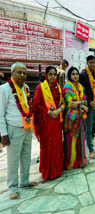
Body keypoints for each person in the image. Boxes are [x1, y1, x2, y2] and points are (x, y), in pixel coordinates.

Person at [0, 62, 37, 199]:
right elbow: (0, 113)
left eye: (24, 73)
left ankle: (25, 181)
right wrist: (3, 134)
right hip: (13, 129)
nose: (22, 75)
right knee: (13, 160)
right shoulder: (4, 89)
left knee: (26, 156)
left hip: (27, 128)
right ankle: (13, 188)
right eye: (19, 72)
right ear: (12, 73)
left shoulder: (26, 88)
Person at [33, 66, 65, 180]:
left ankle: (56, 170)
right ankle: (47, 171)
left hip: (56, 121)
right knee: (47, 146)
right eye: (50, 74)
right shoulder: (40, 88)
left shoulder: (59, 88)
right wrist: (48, 112)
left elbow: (63, 103)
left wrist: (58, 110)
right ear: (46, 75)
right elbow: (36, 105)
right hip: (46, 122)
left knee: (56, 145)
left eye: (54, 74)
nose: (52, 76)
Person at [79, 55, 95, 159]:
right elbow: (82, 92)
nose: (92, 64)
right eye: (90, 62)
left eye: (94, 62)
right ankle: (90, 150)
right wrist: (90, 103)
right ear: (87, 63)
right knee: (89, 130)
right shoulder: (83, 75)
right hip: (89, 107)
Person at [63, 67, 88, 169]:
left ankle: (80, 161)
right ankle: (71, 163)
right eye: (73, 74)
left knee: (80, 140)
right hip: (71, 119)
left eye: (77, 74)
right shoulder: (67, 87)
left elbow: (85, 101)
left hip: (80, 118)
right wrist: (81, 103)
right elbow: (71, 103)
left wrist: (81, 103)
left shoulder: (80, 87)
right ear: (69, 75)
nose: (75, 76)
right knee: (71, 141)